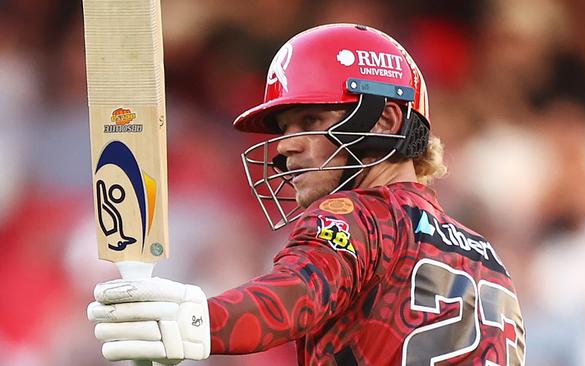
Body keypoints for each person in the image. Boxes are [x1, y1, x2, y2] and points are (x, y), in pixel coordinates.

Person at [88, 23, 526, 365]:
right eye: (284, 129)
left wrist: (196, 320)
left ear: (385, 121)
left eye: (310, 121)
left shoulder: (358, 215)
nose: (284, 146)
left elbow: (297, 292)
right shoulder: (489, 258)